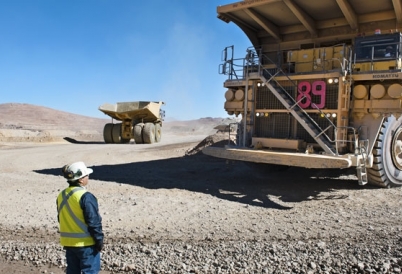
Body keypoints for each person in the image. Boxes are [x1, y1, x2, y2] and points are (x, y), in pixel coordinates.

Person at [57, 161, 104, 274]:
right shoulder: (85, 196)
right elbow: (93, 221)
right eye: (86, 175)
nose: (88, 177)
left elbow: (60, 218)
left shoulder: (61, 195)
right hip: (86, 244)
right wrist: (99, 240)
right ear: (81, 179)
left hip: (69, 243)